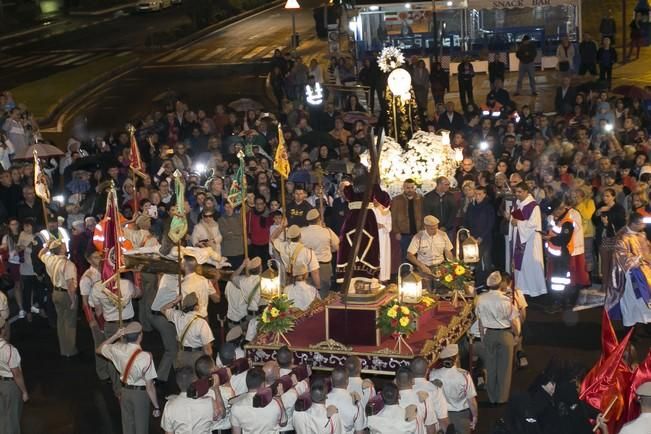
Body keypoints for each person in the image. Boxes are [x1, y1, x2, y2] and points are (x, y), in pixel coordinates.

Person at [96, 322, 160, 434]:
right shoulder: (145, 357)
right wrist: (156, 407)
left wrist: (115, 335)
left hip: (124, 392)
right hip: (140, 394)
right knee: (141, 428)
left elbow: (99, 349)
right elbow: (150, 387)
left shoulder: (117, 349)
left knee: (127, 427)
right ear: (140, 336)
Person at [475, 271, 518, 405]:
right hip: (505, 334)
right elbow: (512, 321)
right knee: (505, 369)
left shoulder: (481, 299)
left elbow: (480, 321)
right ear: (500, 284)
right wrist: (516, 335)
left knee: (490, 366)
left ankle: (492, 397)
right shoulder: (506, 300)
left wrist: (483, 336)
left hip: (489, 334)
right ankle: (502, 398)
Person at [229, 366, 309, 433]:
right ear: (263, 384)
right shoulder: (275, 403)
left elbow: (236, 432)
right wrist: (279, 398)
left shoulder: (236, 407)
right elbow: (283, 423)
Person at [607, 213, 651, 327]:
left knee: (644, 303)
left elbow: (647, 251)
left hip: (645, 274)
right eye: (642, 224)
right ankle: (630, 332)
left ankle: (644, 325)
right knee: (632, 304)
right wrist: (639, 259)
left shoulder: (641, 235)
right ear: (634, 224)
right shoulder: (622, 237)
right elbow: (622, 258)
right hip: (630, 277)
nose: (644, 227)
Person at [38, 239, 78, 357]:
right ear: (61, 249)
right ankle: (70, 350)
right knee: (70, 323)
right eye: (63, 244)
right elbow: (70, 283)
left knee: (60, 321)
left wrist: (47, 247)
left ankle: (63, 349)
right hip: (66, 294)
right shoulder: (68, 264)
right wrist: (73, 299)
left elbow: (40, 254)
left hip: (55, 293)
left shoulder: (50, 259)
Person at [508, 182, 547, 297]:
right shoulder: (518, 204)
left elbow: (533, 225)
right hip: (519, 239)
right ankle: (521, 289)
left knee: (530, 265)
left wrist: (518, 223)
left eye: (520, 192)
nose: (517, 194)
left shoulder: (533, 206)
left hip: (530, 241)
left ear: (526, 192)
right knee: (521, 265)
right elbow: (514, 220)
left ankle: (535, 290)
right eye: (516, 192)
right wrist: (512, 220)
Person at [429, 344, 479, 434]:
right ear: (456, 358)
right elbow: (471, 401)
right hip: (462, 416)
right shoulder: (464, 376)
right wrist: (475, 416)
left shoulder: (433, 375)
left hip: (442, 416)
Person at [161, 293, 214, 368]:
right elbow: (208, 350)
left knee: (183, 377)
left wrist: (176, 301)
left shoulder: (177, 316)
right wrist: (211, 365)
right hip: (197, 357)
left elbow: (163, 309)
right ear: (196, 307)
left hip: (181, 355)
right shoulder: (201, 322)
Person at [79, 248, 108, 381]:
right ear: (89, 260)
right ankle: (102, 372)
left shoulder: (105, 271)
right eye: (96, 257)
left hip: (107, 311)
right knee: (99, 344)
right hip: (96, 314)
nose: (100, 259)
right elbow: (84, 302)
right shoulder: (87, 278)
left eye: (100, 256)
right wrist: (91, 320)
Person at [160, 366, 214, 434]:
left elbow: (168, 432)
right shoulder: (209, 403)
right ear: (194, 381)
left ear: (177, 383)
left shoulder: (169, 406)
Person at [407, 215, 454, 288]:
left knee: (443, 290)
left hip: (440, 267)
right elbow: (409, 255)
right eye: (432, 229)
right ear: (425, 227)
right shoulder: (418, 237)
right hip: (424, 267)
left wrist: (451, 264)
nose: (435, 231)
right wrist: (422, 266)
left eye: (436, 227)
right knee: (426, 292)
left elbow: (448, 252)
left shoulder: (443, 235)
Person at [300, 209, 339, 297]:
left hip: (306, 267)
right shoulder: (327, 231)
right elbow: (336, 247)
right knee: (323, 293)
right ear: (319, 219)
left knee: (307, 293)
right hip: (323, 266)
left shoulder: (301, 232)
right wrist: (329, 250)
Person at [0, 316, 29, 434]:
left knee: (2, 415)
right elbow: (16, 374)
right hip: (10, 385)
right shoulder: (9, 350)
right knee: (12, 417)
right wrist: (24, 391)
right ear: (2, 329)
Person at [150, 273, 179, 385]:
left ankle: (177, 371)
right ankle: (160, 379)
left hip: (158, 315)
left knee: (175, 345)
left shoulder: (166, 276)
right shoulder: (176, 280)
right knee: (171, 349)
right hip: (162, 316)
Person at [464, 186, 496, 285]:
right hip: (472, 239)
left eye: (480, 194)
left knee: (486, 261)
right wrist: (469, 235)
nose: (477, 196)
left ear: (484, 195)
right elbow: (467, 221)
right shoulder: (471, 206)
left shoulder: (488, 207)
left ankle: (487, 283)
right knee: (474, 262)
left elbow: (490, 224)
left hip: (485, 239)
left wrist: (481, 237)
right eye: (476, 194)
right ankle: (477, 283)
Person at [326, 366, 366, 434]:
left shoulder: (322, 401)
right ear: (347, 381)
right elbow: (359, 432)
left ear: (331, 380)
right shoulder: (356, 403)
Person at [391, 179, 424, 261]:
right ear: (403, 188)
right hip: (404, 233)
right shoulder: (396, 200)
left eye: (412, 187)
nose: (410, 190)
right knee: (405, 255)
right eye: (407, 188)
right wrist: (397, 231)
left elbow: (424, 215)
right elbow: (393, 217)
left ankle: (418, 272)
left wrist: (422, 229)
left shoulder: (421, 199)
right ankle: (405, 273)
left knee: (419, 255)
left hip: (418, 232)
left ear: (415, 188)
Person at [180, 254, 219, 319]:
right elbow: (216, 299)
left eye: (181, 263)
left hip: (191, 320)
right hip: (204, 319)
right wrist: (216, 281)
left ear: (184, 266)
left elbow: (182, 307)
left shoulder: (182, 285)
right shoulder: (205, 280)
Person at [373, 191, 392, 283]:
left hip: (383, 236)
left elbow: (389, 226)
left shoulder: (386, 211)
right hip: (373, 237)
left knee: (383, 257)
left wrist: (382, 225)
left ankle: (383, 278)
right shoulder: (370, 209)